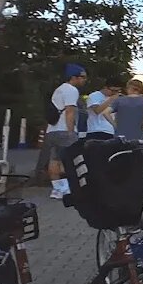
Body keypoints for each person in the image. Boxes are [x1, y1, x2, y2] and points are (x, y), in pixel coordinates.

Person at [44, 64, 87, 200]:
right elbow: (70, 111)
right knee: (71, 160)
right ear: (74, 77)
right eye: (82, 77)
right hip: (64, 131)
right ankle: (68, 188)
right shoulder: (71, 90)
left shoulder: (59, 90)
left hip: (52, 130)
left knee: (54, 160)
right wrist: (71, 131)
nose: (84, 80)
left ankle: (57, 189)